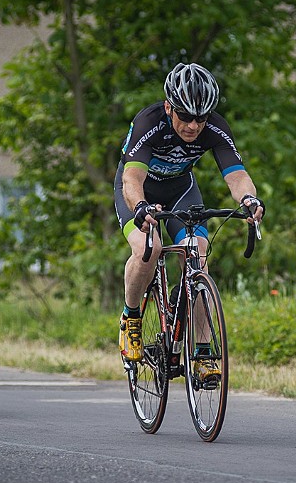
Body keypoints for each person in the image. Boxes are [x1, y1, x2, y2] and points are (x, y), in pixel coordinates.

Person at [113, 63, 265, 380]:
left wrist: (249, 200)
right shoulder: (149, 123)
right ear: (169, 107)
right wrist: (140, 207)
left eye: (201, 118)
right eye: (185, 116)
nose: (194, 125)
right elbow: (132, 178)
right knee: (147, 248)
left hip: (181, 190)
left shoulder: (214, 128)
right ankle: (131, 317)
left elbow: (237, 175)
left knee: (196, 250)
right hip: (137, 190)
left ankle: (203, 353)